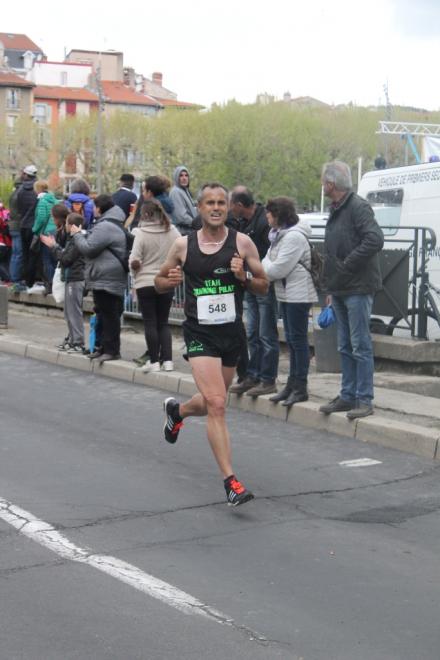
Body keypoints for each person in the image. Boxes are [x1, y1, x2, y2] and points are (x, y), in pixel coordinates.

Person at [155, 182, 269, 506]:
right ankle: (230, 482)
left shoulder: (242, 243)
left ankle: (177, 411)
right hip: (200, 333)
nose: (216, 207)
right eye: (210, 203)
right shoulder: (183, 246)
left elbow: (264, 285)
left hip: (231, 334)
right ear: (201, 208)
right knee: (217, 404)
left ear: (228, 207)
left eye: (222, 203)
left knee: (210, 402)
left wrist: (243, 277)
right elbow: (159, 281)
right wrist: (169, 281)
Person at [319, 161, 384, 419]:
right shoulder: (339, 208)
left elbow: (375, 238)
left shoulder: (357, 207)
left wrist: (347, 264)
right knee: (345, 345)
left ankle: (364, 399)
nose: (323, 185)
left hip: (357, 287)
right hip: (342, 288)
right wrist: (332, 286)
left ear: (331, 184)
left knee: (359, 345)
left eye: (324, 182)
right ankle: (348, 396)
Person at [262, 197, 318, 405]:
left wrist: (266, 268)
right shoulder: (278, 236)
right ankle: (292, 384)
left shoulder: (293, 237)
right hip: (286, 293)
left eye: (269, 212)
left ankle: (300, 386)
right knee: (292, 342)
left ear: (278, 214)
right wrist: (268, 267)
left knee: (298, 342)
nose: (266, 216)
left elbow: (277, 268)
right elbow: (267, 260)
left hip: (298, 295)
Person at [228, 186, 279, 397]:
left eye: (230, 204)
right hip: (247, 282)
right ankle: (253, 375)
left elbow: (270, 254)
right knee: (252, 333)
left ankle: (268, 379)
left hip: (261, 284)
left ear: (239, 205)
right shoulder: (244, 222)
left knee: (266, 334)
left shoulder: (262, 222)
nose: (229, 208)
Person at [70, 194, 128, 363]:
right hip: (106, 276)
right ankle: (102, 348)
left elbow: (89, 249)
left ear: (100, 208)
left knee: (109, 315)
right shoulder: (109, 223)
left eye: (94, 206)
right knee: (103, 313)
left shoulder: (106, 226)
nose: (92, 210)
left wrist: (76, 235)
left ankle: (112, 350)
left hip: (106, 277)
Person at [129, 199, 180, 372]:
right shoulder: (173, 231)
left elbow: (134, 260)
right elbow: (182, 249)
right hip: (166, 281)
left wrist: (135, 274)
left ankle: (154, 361)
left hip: (145, 283)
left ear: (146, 215)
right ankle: (168, 361)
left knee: (150, 323)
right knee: (164, 322)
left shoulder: (141, 233)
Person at [41, 212, 86, 353]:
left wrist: (54, 247)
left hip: (75, 279)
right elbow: (65, 255)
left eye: (67, 223)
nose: (65, 225)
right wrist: (55, 246)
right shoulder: (73, 239)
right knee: (69, 312)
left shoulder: (78, 240)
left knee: (74, 312)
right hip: (70, 279)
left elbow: (66, 259)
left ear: (72, 226)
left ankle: (78, 342)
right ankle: (73, 340)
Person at [32, 180, 57, 293]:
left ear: (38, 189)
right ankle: (56, 284)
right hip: (56, 231)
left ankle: (49, 285)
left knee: (46, 260)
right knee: (55, 260)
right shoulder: (55, 200)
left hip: (46, 233)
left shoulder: (42, 201)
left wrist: (35, 230)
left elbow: (41, 218)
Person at [17, 164, 38, 290]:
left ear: (25, 175)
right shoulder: (38, 190)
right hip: (34, 226)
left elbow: (19, 208)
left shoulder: (20, 190)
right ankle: (31, 281)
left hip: (23, 225)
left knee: (25, 254)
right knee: (34, 254)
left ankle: (25, 280)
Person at [8, 176, 26, 292]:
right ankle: (16, 280)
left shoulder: (12, 194)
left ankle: (13, 278)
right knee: (19, 253)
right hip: (18, 226)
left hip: (12, 227)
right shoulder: (20, 194)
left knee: (15, 253)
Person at [169, 166, 198, 235]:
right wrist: (197, 223)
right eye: (181, 175)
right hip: (182, 232)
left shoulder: (184, 190)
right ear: (176, 177)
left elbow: (190, 207)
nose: (184, 178)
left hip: (188, 231)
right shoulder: (176, 192)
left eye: (186, 175)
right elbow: (181, 217)